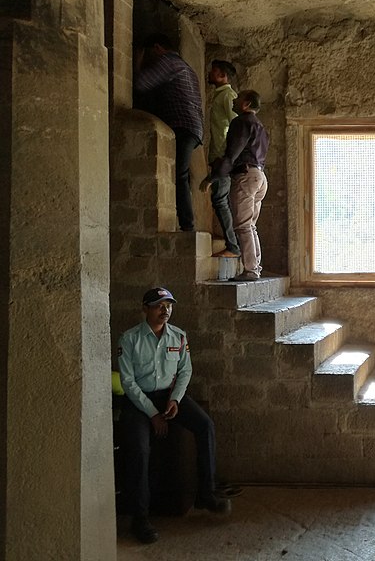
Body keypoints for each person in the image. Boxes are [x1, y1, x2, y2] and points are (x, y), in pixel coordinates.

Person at [117, 287, 231, 544]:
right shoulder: (130, 339)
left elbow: (185, 370)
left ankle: (205, 494)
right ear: (145, 308)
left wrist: (175, 400)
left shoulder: (178, 336)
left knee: (205, 426)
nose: (165, 310)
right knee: (139, 449)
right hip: (139, 402)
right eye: (158, 305)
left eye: (168, 305)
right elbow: (127, 382)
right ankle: (140, 518)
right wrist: (153, 414)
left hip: (168, 396)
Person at [134, 34, 204, 232]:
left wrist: (138, 62)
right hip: (194, 126)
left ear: (158, 48)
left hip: (183, 124)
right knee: (183, 174)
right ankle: (186, 222)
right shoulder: (186, 66)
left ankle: (187, 226)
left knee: (180, 175)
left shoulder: (168, 61)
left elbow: (141, 83)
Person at [200, 90, 269, 282]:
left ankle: (251, 271)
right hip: (260, 175)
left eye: (238, 99)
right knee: (250, 225)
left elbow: (232, 154)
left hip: (245, 175)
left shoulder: (241, 122)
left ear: (246, 104)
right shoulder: (260, 126)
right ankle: (255, 267)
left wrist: (212, 177)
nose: (234, 100)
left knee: (243, 225)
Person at [206, 60, 240, 258]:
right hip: (221, 157)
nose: (210, 74)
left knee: (220, 200)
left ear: (222, 76)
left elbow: (235, 125)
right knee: (221, 199)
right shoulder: (222, 95)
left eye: (214, 71)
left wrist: (226, 157)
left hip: (222, 158)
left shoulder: (227, 96)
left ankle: (233, 247)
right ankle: (232, 245)